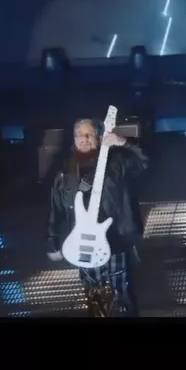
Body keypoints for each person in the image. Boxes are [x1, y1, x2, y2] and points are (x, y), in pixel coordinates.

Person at [45, 118, 147, 317]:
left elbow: (145, 161)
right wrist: (52, 241)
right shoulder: (65, 170)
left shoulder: (117, 161)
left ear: (99, 137)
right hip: (83, 243)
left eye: (89, 134)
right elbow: (55, 207)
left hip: (116, 240)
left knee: (122, 294)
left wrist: (124, 142)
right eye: (79, 135)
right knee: (94, 295)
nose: (83, 139)